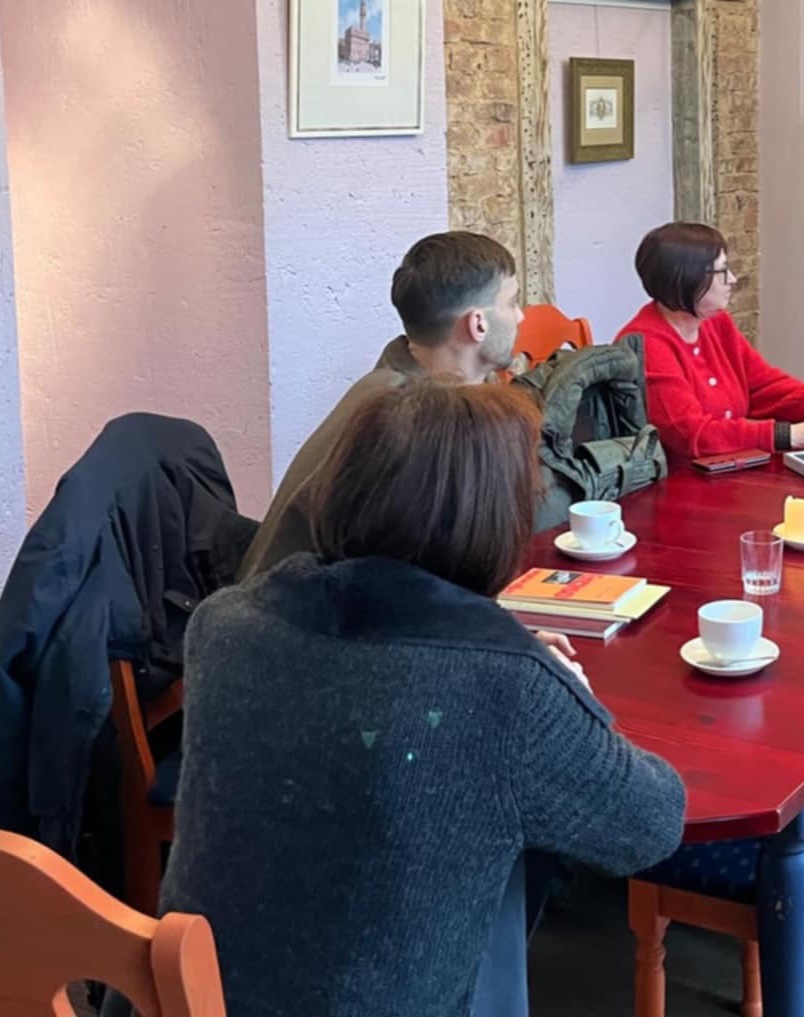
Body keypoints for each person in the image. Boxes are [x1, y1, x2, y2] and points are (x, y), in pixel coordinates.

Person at [158, 380, 687, 1017]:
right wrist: (558, 685)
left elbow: (366, 681)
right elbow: (652, 825)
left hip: (193, 996)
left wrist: (484, 639)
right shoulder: (506, 688)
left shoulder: (224, 624)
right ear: (494, 521)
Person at [240, 230, 526, 579]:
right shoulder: (402, 422)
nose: (521, 316)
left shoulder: (423, 389)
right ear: (477, 323)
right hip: (299, 620)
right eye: (511, 303)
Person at [622, 221, 804, 459]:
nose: (732, 279)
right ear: (687, 278)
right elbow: (693, 435)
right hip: (679, 485)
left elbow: (762, 385)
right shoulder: (647, 344)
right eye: (722, 271)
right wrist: (790, 435)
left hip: (730, 470)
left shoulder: (715, 321)